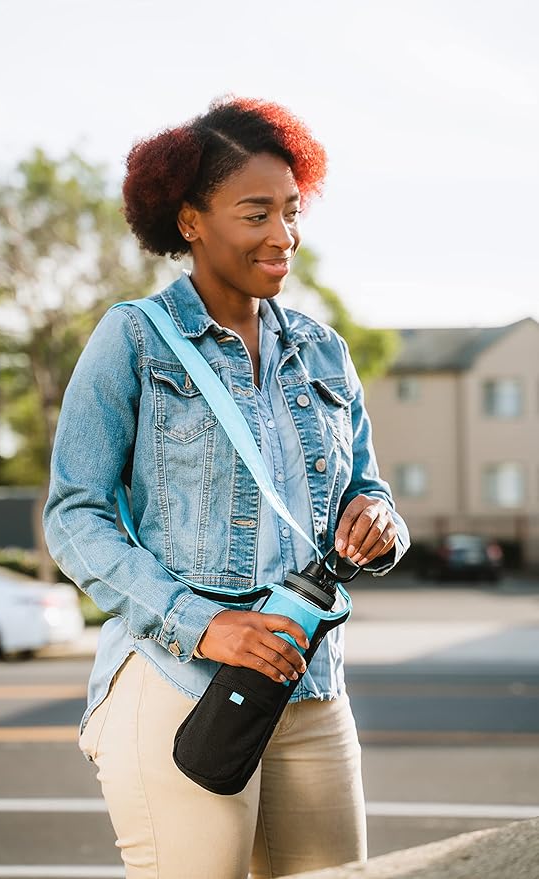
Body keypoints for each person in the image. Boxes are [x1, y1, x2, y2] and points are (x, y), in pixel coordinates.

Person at [43, 95, 410, 879]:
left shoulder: (322, 350)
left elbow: (369, 486)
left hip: (310, 691)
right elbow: (75, 514)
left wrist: (378, 522)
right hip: (182, 683)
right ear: (189, 222)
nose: (284, 237)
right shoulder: (134, 338)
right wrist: (202, 624)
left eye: (292, 210)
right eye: (256, 214)